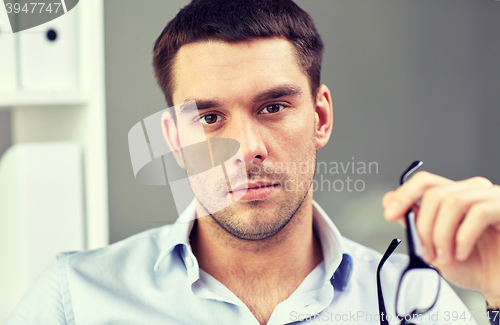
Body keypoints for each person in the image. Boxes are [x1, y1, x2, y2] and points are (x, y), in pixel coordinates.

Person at [7, 0, 500, 324]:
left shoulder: (415, 302)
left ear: (321, 117)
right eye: (209, 118)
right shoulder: (74, 300)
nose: (246, 149)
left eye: (272, 107)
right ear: (174, 139)